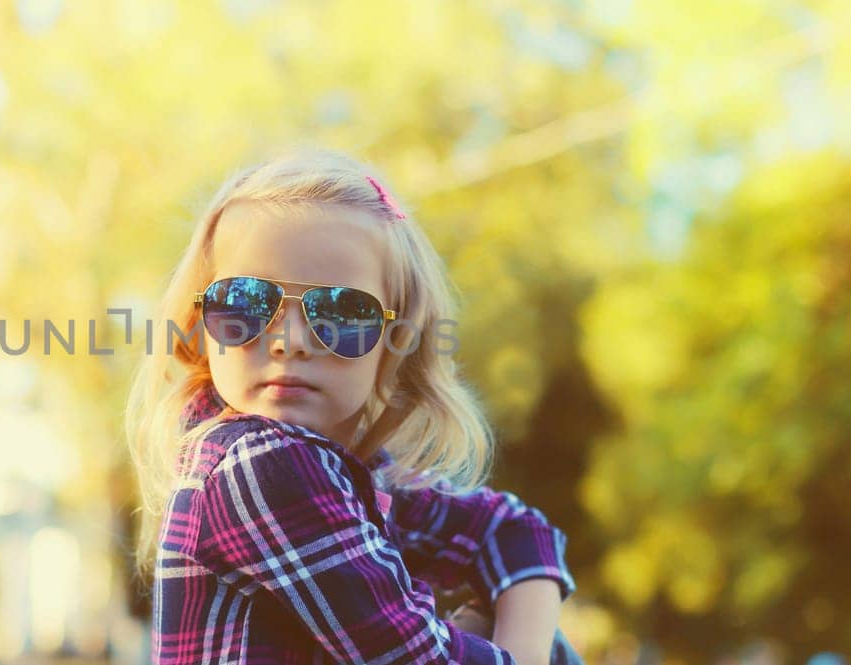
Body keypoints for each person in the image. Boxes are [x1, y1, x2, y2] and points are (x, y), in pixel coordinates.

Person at [126, 146, 581, 664]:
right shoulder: (257, 467)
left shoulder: (355, 473)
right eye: (246, 302)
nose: (290, 340)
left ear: (397, 341)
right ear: (201, 318)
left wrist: (524, 646)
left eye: (343, 311)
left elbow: (517, 531)